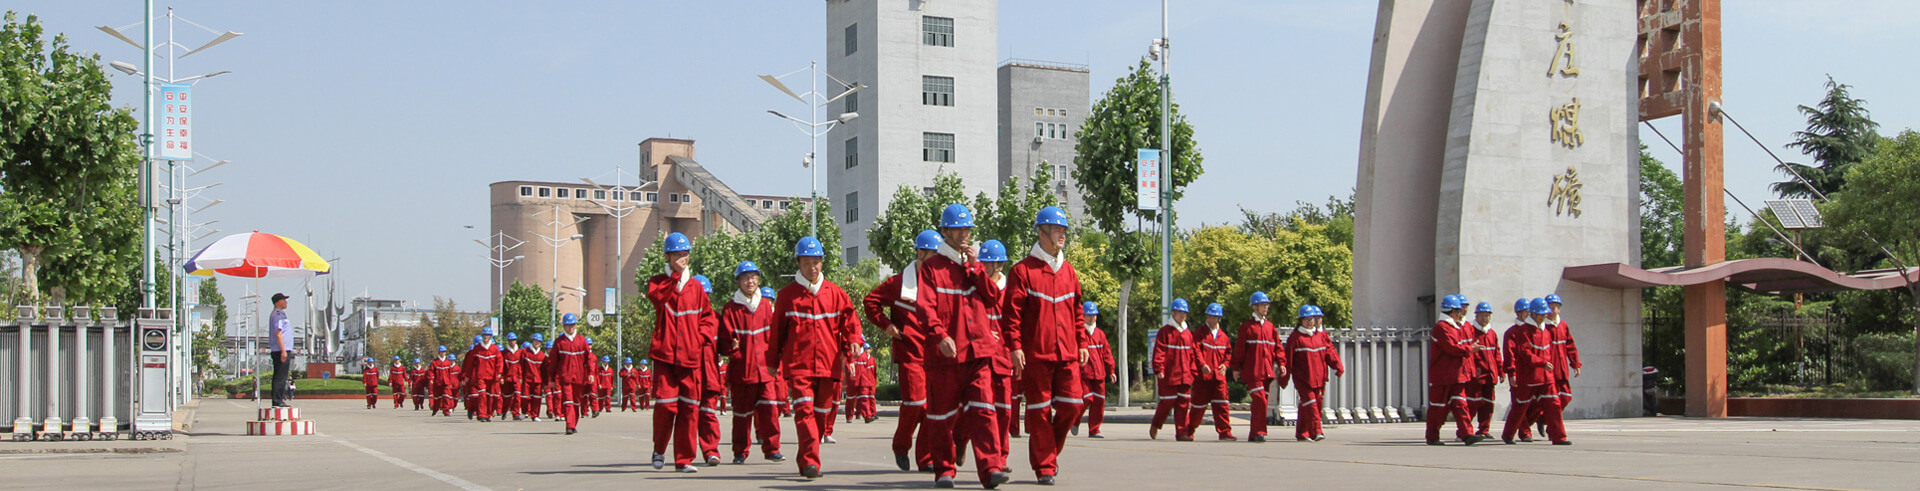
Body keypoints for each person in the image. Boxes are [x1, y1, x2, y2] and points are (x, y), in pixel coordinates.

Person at [911, 204, 1013, 489]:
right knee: (942, 416)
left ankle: (991, 469)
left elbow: (992, 298)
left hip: (978, 354)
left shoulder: (973, 266)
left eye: (967, 229)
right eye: (958, 229)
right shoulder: (932, 269)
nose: (964, 234)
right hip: (945, 358)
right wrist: (940, 336)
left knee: (984, 411)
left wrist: (976, 268)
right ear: (945, 232)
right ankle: (944, 470)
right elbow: (925, 308)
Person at [998, 206, 1089, 484]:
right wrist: (1015, 347)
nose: (1062, 235)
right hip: (1036, 355)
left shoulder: (1069, 272)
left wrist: (1082, 342)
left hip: (1068, 353)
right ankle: (1045, 467)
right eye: (1057, 230)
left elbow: (1077, 312)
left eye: (1064, 230)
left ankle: (1048, 452)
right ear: (1042, 232)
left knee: (1074, 404)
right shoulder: (1022, 271)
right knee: (1039, 411)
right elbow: (1011, 315)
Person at [769, 236, 865, 480]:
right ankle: (811, 462)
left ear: (822, 263)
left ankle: (806, 457)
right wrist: (772, 362)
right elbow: (777, 332)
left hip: (828, 365)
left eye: (816, 262)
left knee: (821, 414)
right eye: (806, 263)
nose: (812, 267)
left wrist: (854, 341)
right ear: (798, 264)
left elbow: (850, 321)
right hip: (799, 366)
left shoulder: (835, 294)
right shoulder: (787, 296)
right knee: (804, 411)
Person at [863, 230, 941, 472]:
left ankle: (926, 458)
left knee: (932, 409)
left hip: (936, 356)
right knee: (916, 403)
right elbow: (870, 302)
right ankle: (901, 445)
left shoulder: (941, 285)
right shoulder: (898, 284)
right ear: (919, 253)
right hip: (909, 353)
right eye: (932, 256)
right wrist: (887, 325)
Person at [645, 232, 714, 473]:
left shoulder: (696, 288)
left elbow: (708, 318)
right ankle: (659, 449)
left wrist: (700, 339)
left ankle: (684, 460)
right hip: (665, 356)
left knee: (689, 408)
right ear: (667, 257)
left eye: (685, 254)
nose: (682, 258)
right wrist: (674, 277)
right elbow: (658, 298)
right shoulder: (657, 282)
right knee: (665, 405)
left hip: (690, 357)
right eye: (677, 254)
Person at [719, 261, 785, 465]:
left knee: (770, 411)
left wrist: (775, 361)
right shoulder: (730, 309)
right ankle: (740, 452)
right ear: (738, 281)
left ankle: (772, 449)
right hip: (742, 372)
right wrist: (735, 352)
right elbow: (725, 341)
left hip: (765, 371)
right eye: (745, 278)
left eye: (753, 277)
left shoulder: (766, 306)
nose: (750, 281)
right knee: (741, 415)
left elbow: (775, 336)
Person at [1501, 298, 1568, 445]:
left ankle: (1559, 437)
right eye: (1541, 314)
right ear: (1533, 314)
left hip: (1547, 378)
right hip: (1529, 377)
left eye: (1545, 314)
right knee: (1520, 406)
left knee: (1554, 404)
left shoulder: (1546, 331)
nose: (1544, 316)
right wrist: (1541, 363)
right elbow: (1525, 353)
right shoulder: (1523, 331)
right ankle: (1508, 434)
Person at [1425, 295, 1482, 445]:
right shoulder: (1442, 327)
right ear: (1451, 312)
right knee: (1437, 407)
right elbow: (1451, 347)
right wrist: (1470, 349)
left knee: (1461, 404)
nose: (1460, 314)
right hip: (1442, 376)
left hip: (1456, 375)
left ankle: (1467, 434)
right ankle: (1432, 437)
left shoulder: (1455, 327)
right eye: (1458, 311)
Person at [1232, 292, 1285, 442]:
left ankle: (1254, 433)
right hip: (1253, 372)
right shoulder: (1247, 327)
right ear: (1254, 307)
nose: (1266, 307)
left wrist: (1281, 363)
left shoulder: (1270, 327)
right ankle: (1259, 432)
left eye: (1267, 305)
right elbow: (1240, 350)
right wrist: (1236, 368)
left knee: (1260, 403)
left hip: (1267, 372)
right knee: (1260, 400)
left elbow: (1278, 348)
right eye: (1263, 305)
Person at [1287, 305, 1343, 442]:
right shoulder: (1295, 338)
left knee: (1313, 404)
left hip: (1319, 378)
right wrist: (1283, 376)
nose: (1310, 322)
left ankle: (1302, 432)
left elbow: (1329, 352)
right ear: (1300, 321)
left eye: (1312, 319)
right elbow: (1287, 359)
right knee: (1311, 405)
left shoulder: (1319, 336)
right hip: (1303, 379)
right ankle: (1316, 431)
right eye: (1306, 319)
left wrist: (1338, 366)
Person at [691, 274, 727, 467]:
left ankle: (711, 451)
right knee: (688, 417)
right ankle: (685, 455)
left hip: (710, 376)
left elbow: (725, 346)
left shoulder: (716, 319)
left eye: (706, 295)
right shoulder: (684, 318)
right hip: (689, 376)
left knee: (708, 414)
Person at [1149, 298, 1196, 441]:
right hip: (1169, 375)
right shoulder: (1165, 332)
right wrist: (1159, 369)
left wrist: (1193, 372)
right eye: (1179, 312)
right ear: (1173, 313)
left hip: (1185, 376)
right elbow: (1159, 352)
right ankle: (1156, 424)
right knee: (1167, 402)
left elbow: (1192, 355)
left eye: (1184, 313)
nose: (1182, 315)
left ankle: (1182, 433)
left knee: (1183, 403)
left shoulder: (1188, 334)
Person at [1190, 303, 1236, 441]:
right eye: (1210, 317)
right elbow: (1196, 350)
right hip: (1203, 378)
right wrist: (1202, 364)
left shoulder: (1223, 337)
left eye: (1215, 317)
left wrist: (1225, 365)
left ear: (1219, 318)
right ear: (1207, 317)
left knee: (1222, 404)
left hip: (1219, 378)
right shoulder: (1200, 333)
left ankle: (1225, 432)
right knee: (1198, 406)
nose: (1212, 319)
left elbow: (1228, 354)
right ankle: (1189, 430)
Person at [545, 313, 596, 436]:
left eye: (572, 325)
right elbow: (553, 362)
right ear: (564, 326)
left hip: (579, 377)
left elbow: (589, 359)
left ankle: (573, 424)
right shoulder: (559, 342)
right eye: (568, 325)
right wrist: (552, 378)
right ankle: (569, 425)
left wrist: (591, 373)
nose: (570, 328)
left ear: (575, 325)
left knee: (577, 402)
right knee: (568, 401)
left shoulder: (581, 341)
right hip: (565, 377)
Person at [1070, 301, 1115, 439]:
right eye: (1089, 315)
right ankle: (1075, 421)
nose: (1092, 318)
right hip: (1083, 373)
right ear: (1083, 316)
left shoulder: (1100, 334)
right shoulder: (1078, 333)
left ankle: (1095, 429)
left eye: (1094, 315)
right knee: (1087, 398)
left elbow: (1107, 353)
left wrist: (1111, 370)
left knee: (1099, 401)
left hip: (1099, 373)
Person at [1467, 302, 1504, 438]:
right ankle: (1465, 431)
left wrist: (1500, 370)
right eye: (1482, 315)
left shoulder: (1491, 333)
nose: (1484, 318)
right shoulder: (1471, 332)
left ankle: (1484, 430)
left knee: (1488, 404)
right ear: (1476, 316)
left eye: (1487, 315)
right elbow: (1468, 353)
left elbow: (1497, 353)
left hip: (1490, 375)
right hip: (1477, 376)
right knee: (1472, 403)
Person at [1545, 294, 1581, 415]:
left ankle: (1547, 418)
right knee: (1551, 399)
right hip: (1549, 371)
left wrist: (1576, 364)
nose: (1551, 311)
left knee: (1566, 396)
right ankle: (1548, 420)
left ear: (1559, 309)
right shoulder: (1543, 327)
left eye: (1554, 308)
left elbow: (1570, 346)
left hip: (1562, 370)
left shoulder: (1563, 326)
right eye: (1549, 308)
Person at [466, 328, 504, 422]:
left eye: (488, 335)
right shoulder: (477, 348)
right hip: (480, 376)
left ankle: (488, 414)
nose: (486, 337)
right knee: (482, 394)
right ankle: (482, 415)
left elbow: (499, 361)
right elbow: (470, 363)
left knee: (490, 396)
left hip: (492, 376)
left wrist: (499, 373)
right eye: (484, 335)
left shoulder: (494, 348)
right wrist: (467, 376)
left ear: (490, 336)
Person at [268, 293, 294, 408]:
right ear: (278, 301)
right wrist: (283, 350)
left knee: (282, 376)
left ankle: (279, 399)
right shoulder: (277, 315)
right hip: (280, 349)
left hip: (283, 349)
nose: (286, 302)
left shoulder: (281, 314)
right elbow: (278, 333)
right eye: (284, 300)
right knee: (280, 376)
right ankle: (277, 400)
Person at [846, 344, 879, 424]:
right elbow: (847, 365)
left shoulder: (864, 356)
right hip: (853, 380)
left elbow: (869, 370)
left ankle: (867, 416)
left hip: (863, 381)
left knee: (864, 398)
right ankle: (849, 416)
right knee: (851, 399)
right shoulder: (851, 353)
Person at [522, 336, 547, 422]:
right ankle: (524, 412)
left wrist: (545, 382)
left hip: (538, 380)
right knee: (525, 397)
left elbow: (544, 370)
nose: (537, 343)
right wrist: (520, 377)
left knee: (537, 398)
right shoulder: (525, 352)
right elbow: (520, 365)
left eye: (539, 342)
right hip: (527, 379)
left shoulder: (542, 355)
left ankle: (535, 415)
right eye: (535, 341)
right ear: (532, 341)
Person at [429, 346, 458, 416]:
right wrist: (431, 379)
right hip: (437, 383)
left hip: (446, 383)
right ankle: (435, 410)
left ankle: (446, 411)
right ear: (438, 352)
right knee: (437, 398)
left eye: (444, 352)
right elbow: (431, 372)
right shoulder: (434, 362)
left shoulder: (447, 362)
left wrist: (450, 382)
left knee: (446, 397)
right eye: (441, 352)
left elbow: (449, 373)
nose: (443, 353)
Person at [502, 333, 524, 420]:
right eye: (510, 340)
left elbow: (522, 366)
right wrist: (501, 377)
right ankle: (504, 411)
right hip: (507, 378)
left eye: (513, 340)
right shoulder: (504, 353)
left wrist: (521, 377)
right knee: (507, 397)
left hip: (517, 378)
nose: (512, 342)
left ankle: (516, 414)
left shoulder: (520, 352)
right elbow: (501, 366)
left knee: (517, 395)